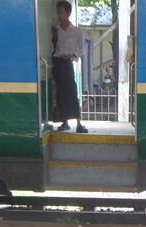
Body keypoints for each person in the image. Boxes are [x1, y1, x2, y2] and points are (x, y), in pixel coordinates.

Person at [53, 1, 88, 133]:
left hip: (68, 64)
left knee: (72, 92)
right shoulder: (55, 31)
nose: (59, 15)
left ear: (68, 13)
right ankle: (64, 122)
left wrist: (72, 54)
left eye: (61, 12)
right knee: (61, 93)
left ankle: (79, 123)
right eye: (58, 13)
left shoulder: (76, 31)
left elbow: (82, 49)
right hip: (57, 63)